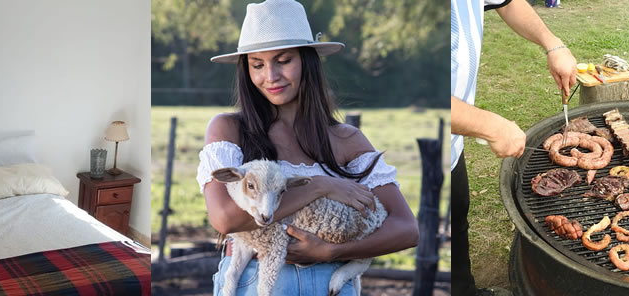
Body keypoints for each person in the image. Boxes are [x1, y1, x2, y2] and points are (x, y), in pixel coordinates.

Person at [197, 0, 419, 295]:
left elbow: (406, 228)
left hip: (331, 282)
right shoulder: (229, 129)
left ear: (307, 60)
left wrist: (330, 253)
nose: (270, 76)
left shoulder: (346, 139)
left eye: (283, 60)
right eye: (257, 65)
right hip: (257, 278)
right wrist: (319, 187)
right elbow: (225, 218)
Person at [450, 0, 578, 295]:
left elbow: (507, 2)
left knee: (454, 220)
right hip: (399, 156)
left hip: (448, 144)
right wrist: (489, 126)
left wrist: (552, 42)